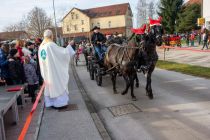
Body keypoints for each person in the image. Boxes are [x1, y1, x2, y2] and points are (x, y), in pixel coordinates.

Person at [39, 29, 75, 108]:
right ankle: (60, 103)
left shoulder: (41, 46)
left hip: (46, 71)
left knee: (50, 87)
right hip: (53, 71)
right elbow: (62, 53)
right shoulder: (50, 45)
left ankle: (51, 102)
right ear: (51, 36)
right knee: (57, 84)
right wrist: (69, 46)